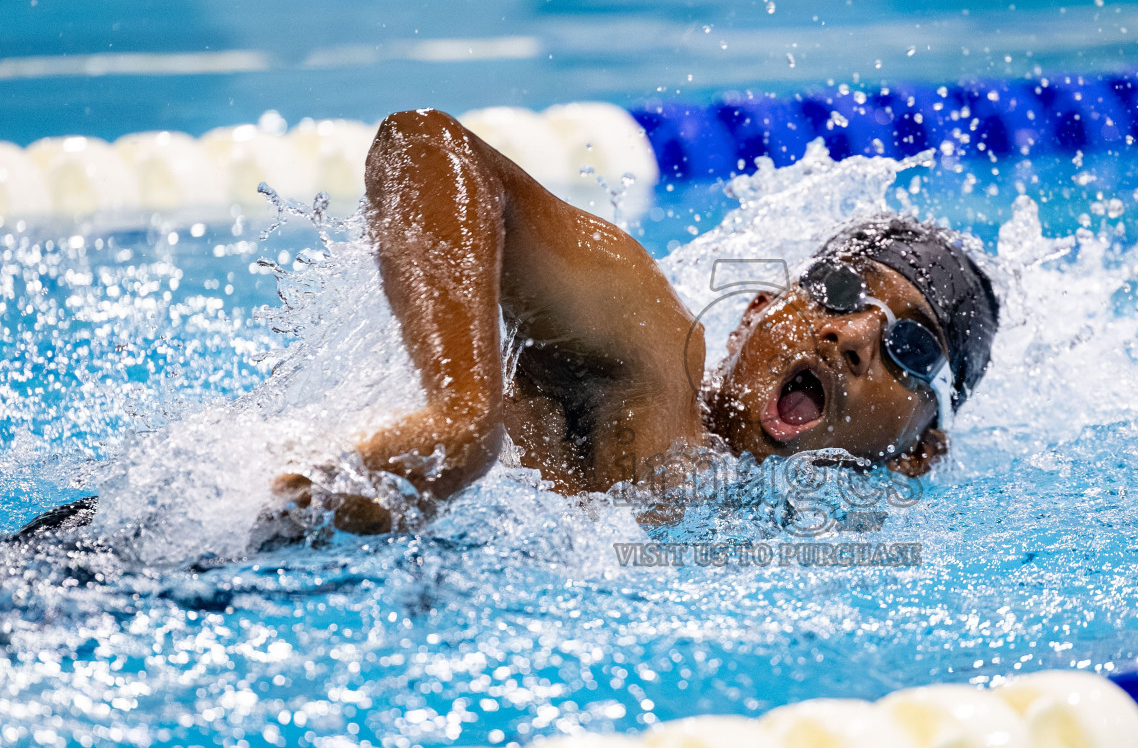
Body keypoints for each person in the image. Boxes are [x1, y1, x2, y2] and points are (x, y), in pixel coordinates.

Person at [9, 109, 1000, 543]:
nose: (852, 335)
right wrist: (461, 412)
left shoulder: (768, 539)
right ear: (758, 310)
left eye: (908, 347)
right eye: (834, 291)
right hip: (152, 553)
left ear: (916, 452)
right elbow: (431, 148)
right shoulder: (648, 354)